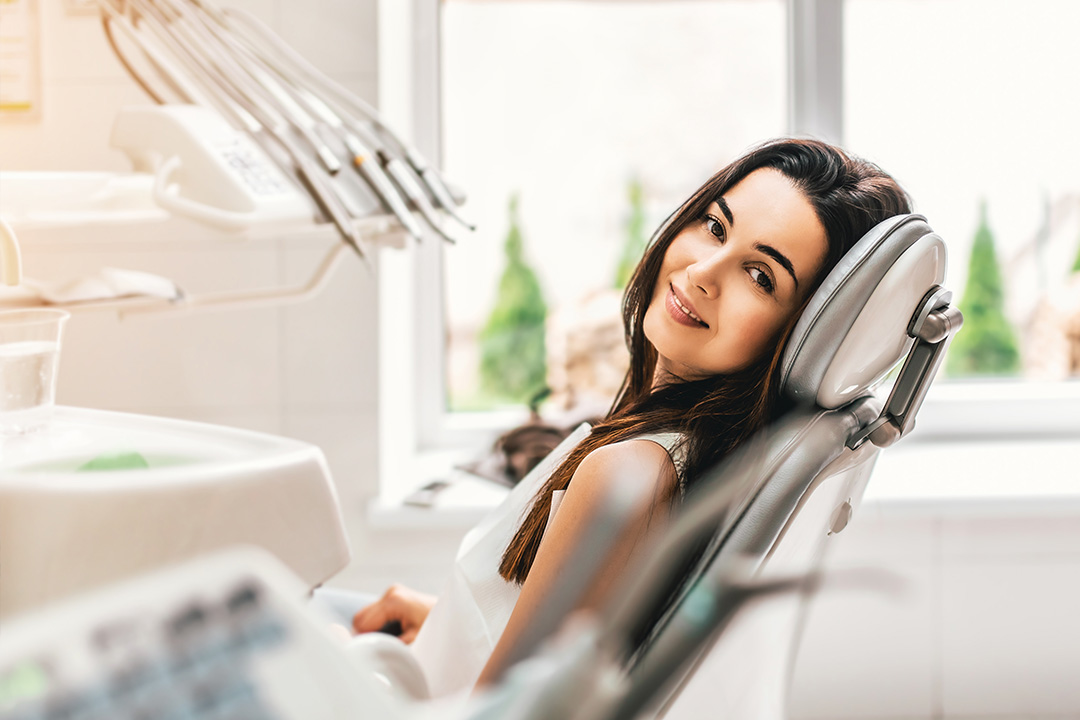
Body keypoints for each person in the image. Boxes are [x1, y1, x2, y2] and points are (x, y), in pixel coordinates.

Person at [349, 138, 912, 697]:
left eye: (760, 276)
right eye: (715, 227)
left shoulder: (630, 476)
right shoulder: (695, 458)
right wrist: (446, 623)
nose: (702, 273)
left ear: (802, 334)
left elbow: (502, 717)